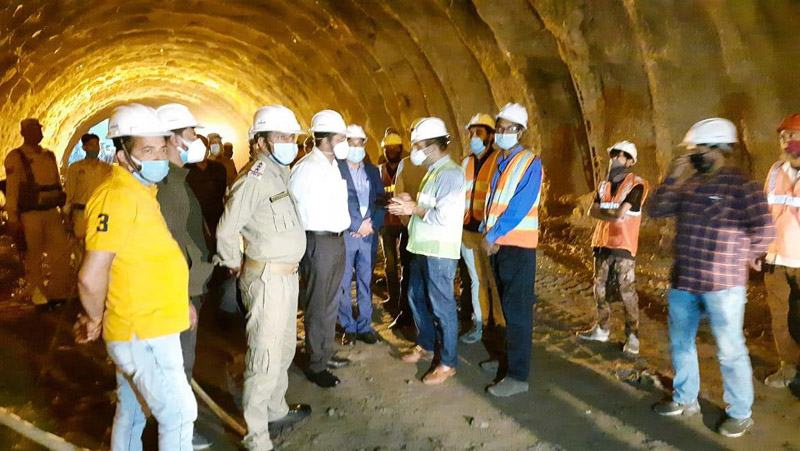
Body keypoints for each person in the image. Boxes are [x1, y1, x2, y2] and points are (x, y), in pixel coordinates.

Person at [74, 103, 197, 450]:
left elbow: (146, 261)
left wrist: (180, 302)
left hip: (150, 325)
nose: (158, 157)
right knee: (179, 413)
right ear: (122, 154)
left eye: (161, 148)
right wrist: (95, 319)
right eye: (147, 150)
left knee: (132, 411)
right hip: (143, 331)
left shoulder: (141, 193)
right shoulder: (116, 198)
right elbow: (91, 275)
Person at [648, 118, 774, 438]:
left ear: (719, 149)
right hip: (685, 281)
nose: (695, 155)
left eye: (700, 149)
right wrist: (673, 176)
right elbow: (658, 209)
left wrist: (745, 256)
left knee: (730, 350)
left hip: (724, 285)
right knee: (681, 343)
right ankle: (685, 398)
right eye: (694, 150)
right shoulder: (689, 183)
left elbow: (764, 228)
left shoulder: (742, 185)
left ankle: (741, 413)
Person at [215, 105, 311, 450]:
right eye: (282, 137)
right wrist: (234, 262)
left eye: (292, 137)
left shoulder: (278, 174)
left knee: (283, 349)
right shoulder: (254, 177)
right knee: (264, 356)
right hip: (268, 279)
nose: (290, 143)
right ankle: (257, 435)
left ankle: (275, 409)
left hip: (286, 278)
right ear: (261, 141)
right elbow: (227, 230)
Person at [155, 103, 215, 449]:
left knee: (181, 361)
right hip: (180, 291)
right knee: (178, 364)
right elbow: (169, 245)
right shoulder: (165, 184)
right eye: (191, 134)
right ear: (174, 139)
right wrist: (182, 298)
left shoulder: (178, 178)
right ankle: (177, 434)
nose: (197, 139)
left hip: (191, 285)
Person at [390, 117, 465, 385]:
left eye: (418, 145)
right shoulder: (432, 172)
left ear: (433, 146)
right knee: (415, 296)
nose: (415, 151)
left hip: (439, 252)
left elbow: (443, 216)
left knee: (442, 306)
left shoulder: (451, 174)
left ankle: (447, 363)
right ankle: (426, 345)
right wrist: (411, 203)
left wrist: (414, 209)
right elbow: (427, 208)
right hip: (421, 247)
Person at [479, 103, 543, 398]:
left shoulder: (529, 162)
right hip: (499, 246)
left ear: (521, 131)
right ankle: (505, 361)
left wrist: (493, 234)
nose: (503, 133)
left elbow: (519, 206)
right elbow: (495, 203)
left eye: (509, 129)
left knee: (517, 313)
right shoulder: (499, 162)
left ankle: (518, 375)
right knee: (505, 310)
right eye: (500, 128)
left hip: (516, 247)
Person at [289, 109, 351, 388]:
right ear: (324, 139)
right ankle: (316, 364)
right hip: (318, 242)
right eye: (341, 137)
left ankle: (326, 353)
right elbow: (292, 211)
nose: (345, 142)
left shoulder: (333, 165)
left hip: (337, 240)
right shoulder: (305, 169)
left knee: (331, 302)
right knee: (317, 304)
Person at [579, 141, 649, 356]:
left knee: (627, 292)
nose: (615, 159)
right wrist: (610, 214)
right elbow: (593, 212)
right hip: (602, 245)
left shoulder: (637, 185)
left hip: (623, 246)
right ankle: (602, 328)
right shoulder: (603, 186)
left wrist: (606, 214)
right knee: (599, 289)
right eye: (614, 154)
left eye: (621, 155)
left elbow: (620, 215)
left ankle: (633, 337)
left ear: (630, 161)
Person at [4, 118, 74, 308]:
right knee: (32, 256)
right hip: (30, 214)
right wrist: (13, 218)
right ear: (24, 133)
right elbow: (12, 190)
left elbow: (57, 185)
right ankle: (39, 296)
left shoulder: (48, 155)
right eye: (33, 129)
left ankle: (58, 293)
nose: (38, 133)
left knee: (61, 252)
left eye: (39, 129)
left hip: (51, 212)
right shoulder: (15, 157)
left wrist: (64, 211)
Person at [336, 124, 385, 346]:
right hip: (347, 235)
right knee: (344, 283)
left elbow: (380, 201)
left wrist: (373, 224)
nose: (356, 147)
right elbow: (334, 202)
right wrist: (355, 225)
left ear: (365, 145)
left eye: (359, 143)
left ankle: (365, 325)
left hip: (368, 237)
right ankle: (348, 326)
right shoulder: (336, 170)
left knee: (366, 281)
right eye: (351, 143)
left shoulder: (373, 171)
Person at [762, 114, 800, 389]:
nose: (786, 140)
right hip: (774, 258)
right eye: (783, 136)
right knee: (780, 318)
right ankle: (789, 367)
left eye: (792, 135)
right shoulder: (775, 171)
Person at [460, 113, 503, 344]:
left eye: (479, 132)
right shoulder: (465, 163)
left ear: (490, 136)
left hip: (489, 234)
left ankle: (500, 327)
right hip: (467, 231)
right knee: (476, 280)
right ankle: (480, 324)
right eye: (471, 132)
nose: (474, 137)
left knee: (493, 282)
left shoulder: (499, 161)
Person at [391, 123, 428, 327]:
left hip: (415, 229)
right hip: (422, 229)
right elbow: (398, 195)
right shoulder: (413, 164)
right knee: (413, 274)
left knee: (411, 273)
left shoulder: (408, 163)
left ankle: (409, 315)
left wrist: (409, 223)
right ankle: (411, 314)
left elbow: (398, 196)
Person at [377, 129, 407, 322]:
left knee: (405, 263)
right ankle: (394, 297)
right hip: (386, 223)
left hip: (403, 223)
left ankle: (404, 299)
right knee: (390, 264)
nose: (392, 150)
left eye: (395, 147)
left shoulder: (406, 168)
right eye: (389, 148)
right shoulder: (380, 170)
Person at [64, 133, 111, 241]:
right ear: (84, 147)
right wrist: (66, 215)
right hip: (81, 214)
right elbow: (69, 192)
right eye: (91, 145)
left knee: (99, 245)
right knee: (81, 246)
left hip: (101, 214)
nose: (95, 148)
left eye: (97, 145)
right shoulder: (75, 168)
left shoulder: (107, 169)